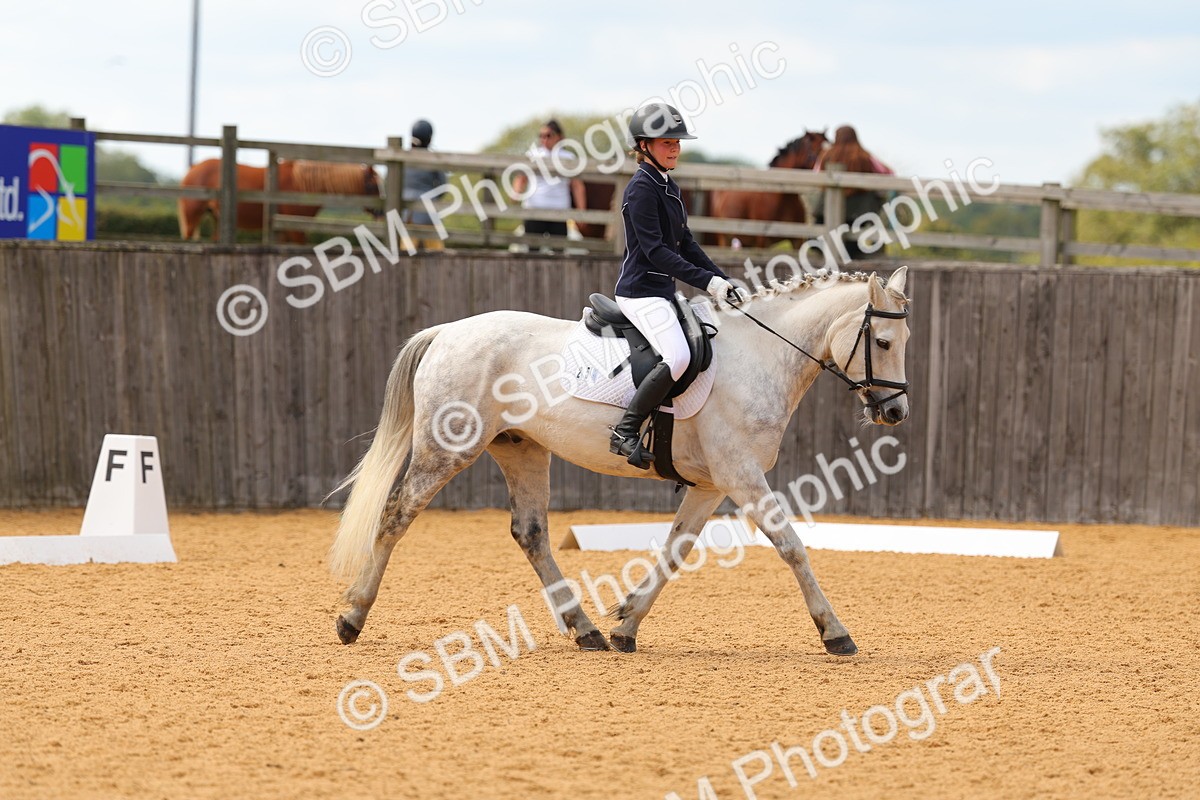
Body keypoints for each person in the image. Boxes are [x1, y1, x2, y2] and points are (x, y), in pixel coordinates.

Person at [608, 102, 748, 469]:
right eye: (666, 141)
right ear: (643, 145)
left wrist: (721, 279)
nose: (674, 148)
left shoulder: (667, 185)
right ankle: (625, 430)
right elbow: (655, 252)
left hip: (663, 292)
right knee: (679, 356)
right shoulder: (641, 189)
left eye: (677, 141)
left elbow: (686, 243)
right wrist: (706, 282)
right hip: (640, 291)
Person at [813, 125, 894, 261]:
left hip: (828, 212)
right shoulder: (864, 156)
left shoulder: (827, 154)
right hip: (858, 213)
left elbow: (815, 173)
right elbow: (888, 173)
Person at [510, 119, 587, 244]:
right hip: (534, 211)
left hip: (559, 211)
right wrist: (516, 192)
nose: (544, 139)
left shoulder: (569, 157)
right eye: (541, 136)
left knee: (558, 251)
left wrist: (581, 213)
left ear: (559, 137)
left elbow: (577, 186)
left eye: (548, 135)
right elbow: (521, 178)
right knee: (532, 251)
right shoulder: (532, 155)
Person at [402, 119, 447, 249]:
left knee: (405, 251)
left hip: (406, 212)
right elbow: (443, 186)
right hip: (429, 213)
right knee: (437, 253)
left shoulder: (403, 157)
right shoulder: (434, 158)